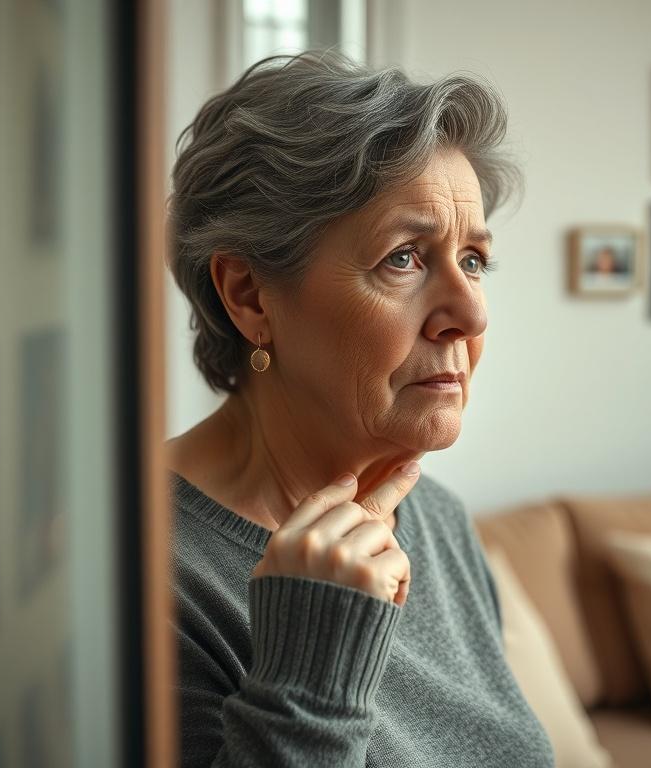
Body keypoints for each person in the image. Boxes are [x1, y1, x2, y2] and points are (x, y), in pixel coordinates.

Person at [164, 50, 555, 768]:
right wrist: (314, 655)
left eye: (473, 260)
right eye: (403, 257)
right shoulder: (144, 574)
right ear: (249, 296)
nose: (469, 313)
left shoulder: (436, 520)